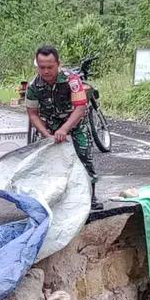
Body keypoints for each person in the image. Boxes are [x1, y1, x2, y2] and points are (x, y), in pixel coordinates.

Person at [25, 45, 103, 210]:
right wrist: (46, 134)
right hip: (50, 124)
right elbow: (32, 114)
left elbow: (80, 108)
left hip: (75, 122)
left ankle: (91, 197)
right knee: (46, 160)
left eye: (50, 67)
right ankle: (51, 198)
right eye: (42, 67)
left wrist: (65, 129)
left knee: (84, 156)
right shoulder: (33, 86)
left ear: (58, 64)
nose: (46, 71)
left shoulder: (72, 80)